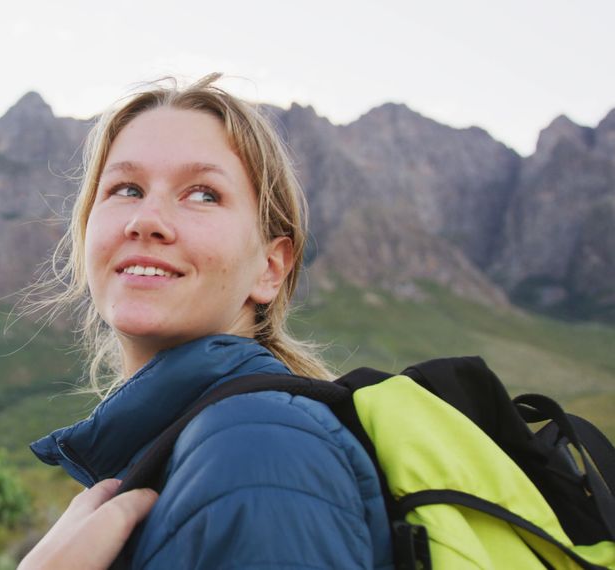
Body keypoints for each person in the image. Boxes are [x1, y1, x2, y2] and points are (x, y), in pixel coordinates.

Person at [20, 74, 395, 569]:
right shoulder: (195, 445)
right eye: (126, 188)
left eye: (203, 195)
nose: (146, 219)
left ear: (270, 268)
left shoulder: (258, 448)